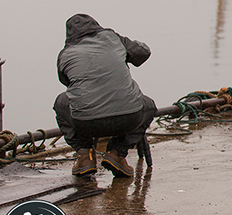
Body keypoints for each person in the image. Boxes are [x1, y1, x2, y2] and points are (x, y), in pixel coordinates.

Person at [53, 14, 157, 178]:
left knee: (61, 102)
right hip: (130, 117)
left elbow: (68, 84)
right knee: (149, 105)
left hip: (86, 123)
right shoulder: (113, 39)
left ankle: (84, 156)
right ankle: (117, 153)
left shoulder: (65, 54)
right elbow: (143, 52)